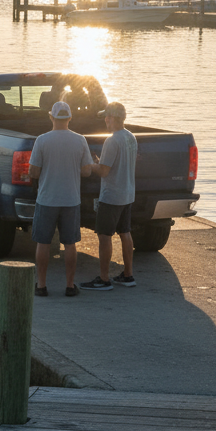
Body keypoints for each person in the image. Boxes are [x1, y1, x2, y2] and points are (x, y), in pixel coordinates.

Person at [28, 101, 93, 297]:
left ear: (51, 117)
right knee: (70, 243)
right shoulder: (80, 140)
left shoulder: (42, 140)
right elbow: (87, 172)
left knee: (43, 243)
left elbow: (34, 172)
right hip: (71, 199)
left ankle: (41, 285)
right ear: (70, 118)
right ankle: (70, 286)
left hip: (47, 199)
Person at [80, 102, 137, 290]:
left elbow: (104, 171)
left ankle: (104, 279)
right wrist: (101, 163)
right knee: (125, 232)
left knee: (104, 235)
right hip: (127, 194)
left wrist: (90, 164)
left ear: (113, 118)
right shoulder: (130, 137)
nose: (105, 120)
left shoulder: (111, 141)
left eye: (107, 117)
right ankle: (128, 275)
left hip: (111, 196)